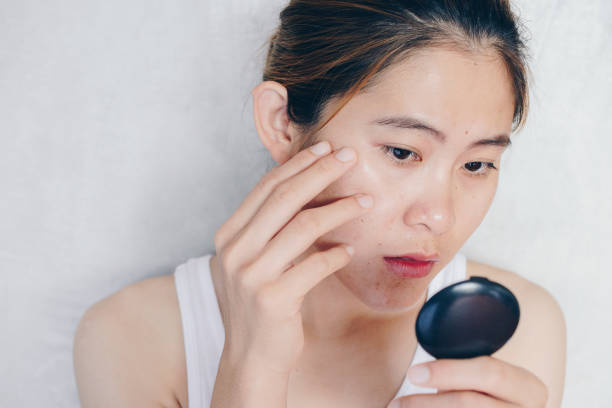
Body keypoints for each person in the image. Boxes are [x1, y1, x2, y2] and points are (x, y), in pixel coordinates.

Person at [73, 1, 567, 407]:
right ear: (282, 123)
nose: (439, 216)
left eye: (477, 165)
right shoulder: (133, 338)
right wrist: (252, 371)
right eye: (401, 152)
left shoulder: (516, 334)